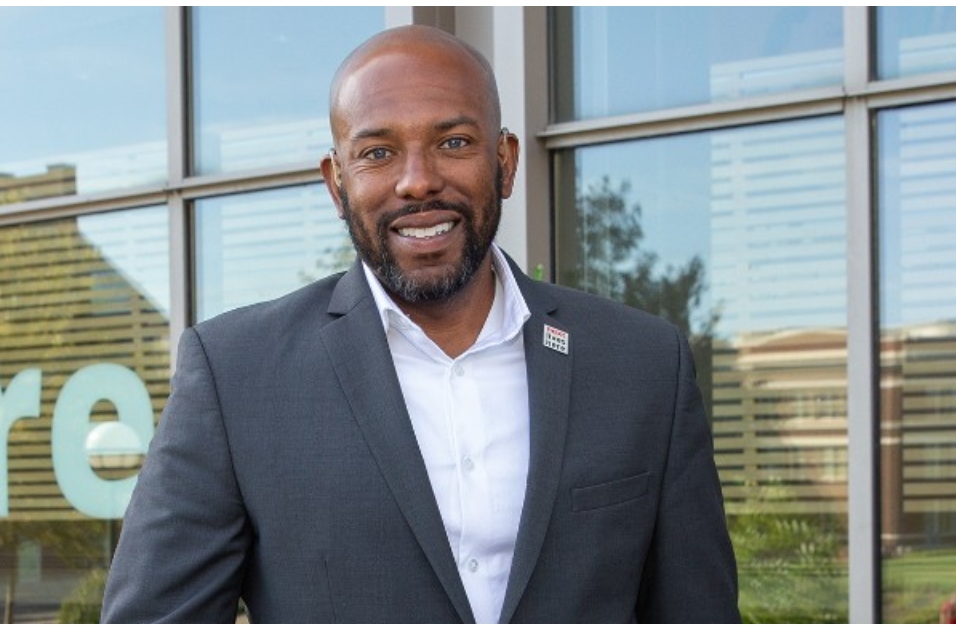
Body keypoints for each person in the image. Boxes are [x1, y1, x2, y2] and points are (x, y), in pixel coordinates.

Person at [101, 25, 739, 623]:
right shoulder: (235, 374)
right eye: (378, 152)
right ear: (337, 184)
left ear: (506, 161)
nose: (418, 181)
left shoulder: (644, 364)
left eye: (453, 142)